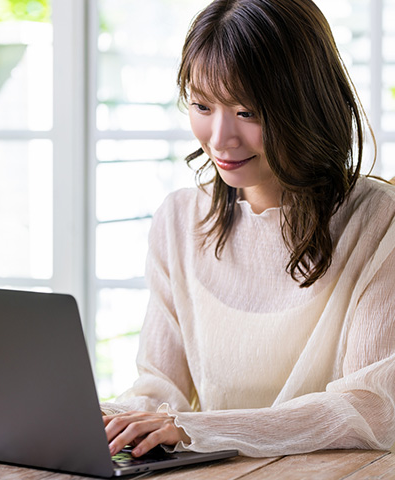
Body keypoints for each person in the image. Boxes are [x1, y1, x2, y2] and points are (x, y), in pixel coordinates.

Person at [102, 0, 395, 459]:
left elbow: (370, 408)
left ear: (306, 104)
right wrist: (112, 420)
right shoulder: (179, 220)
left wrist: (198, 430)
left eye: (248, 112)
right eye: (202, 105)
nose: (219, 139)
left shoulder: (378, 220)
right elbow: (161, 391)